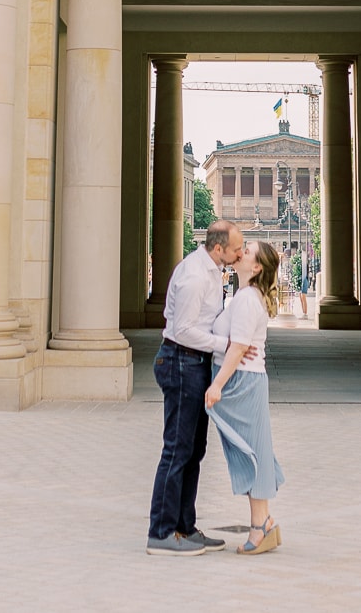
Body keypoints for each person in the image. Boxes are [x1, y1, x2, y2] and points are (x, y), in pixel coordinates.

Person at [147, 218, 245, 558]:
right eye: (236, 249)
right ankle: (161, 532)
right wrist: (226, 344)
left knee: (193, 451)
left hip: (194, 364)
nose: (240, 253)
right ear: (218, 248)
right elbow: (183, 330)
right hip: (180, 361)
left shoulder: (212, 270)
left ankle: (184, 527)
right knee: (176, 450)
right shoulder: (193, 276)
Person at [205, 240, 285, 556]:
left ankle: (260, 526)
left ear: (256, 268)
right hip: (244, 381)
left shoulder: (248, 300)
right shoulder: (242, 297)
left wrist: (217, 386)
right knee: (252, 450)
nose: (241, 252)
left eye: (248, 251)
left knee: (252, 452)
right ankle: (263, 522)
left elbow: (239, 348)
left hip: (243, 382)